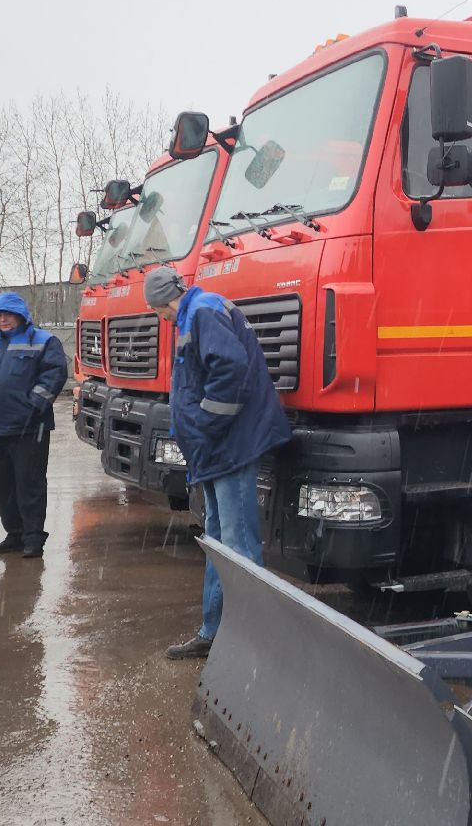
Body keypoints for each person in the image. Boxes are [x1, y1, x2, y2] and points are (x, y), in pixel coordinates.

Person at [144, 266, 289, 660]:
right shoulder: (197, 312)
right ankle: (215, 630)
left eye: (158, 310)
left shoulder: (202, 312)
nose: (161, 318)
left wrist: (204, 424)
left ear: (166, 299)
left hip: (228, 445)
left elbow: (231, 371)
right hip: (216, 448)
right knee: (220, 541)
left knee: (237, 543)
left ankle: (256, 640)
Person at [0, 292, 68, 558]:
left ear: (21, 316)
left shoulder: (43, 341)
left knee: (29, 484)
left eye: (8, 314)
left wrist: (33, 405)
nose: (3, 319)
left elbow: (55, 373)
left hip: (29, 428)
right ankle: (15, 532)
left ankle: (33, 537)